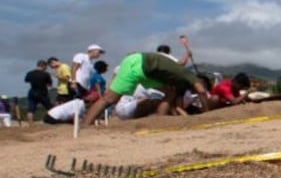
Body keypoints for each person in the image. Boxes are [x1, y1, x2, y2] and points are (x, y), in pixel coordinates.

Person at [81, 52, 210, 127]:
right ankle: (86, 126)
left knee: (170, 93)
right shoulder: (189, 76)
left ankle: (160, 121)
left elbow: (177, 105)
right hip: (138, 64)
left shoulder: (180, 84)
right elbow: (202, 91)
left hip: (148, 72)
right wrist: (207, 113)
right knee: (110, 98)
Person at [24, 60, 54, 124]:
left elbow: (26, 80)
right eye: (46, 67)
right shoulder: (46, 74)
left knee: (31, 109)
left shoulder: (29, 73)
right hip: (43, 92)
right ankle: (49, 121)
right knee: (49, 108)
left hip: (32, 92)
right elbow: (50, 84)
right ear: (44, 66)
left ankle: (30, 124)